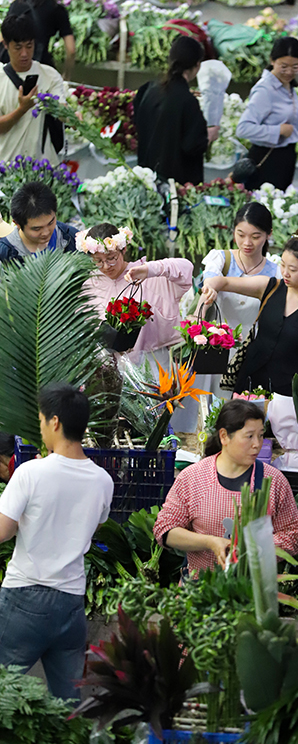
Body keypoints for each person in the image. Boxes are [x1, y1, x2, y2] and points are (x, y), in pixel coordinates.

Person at [0, 382, 113, 700]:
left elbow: (2, 531)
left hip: (24, 598)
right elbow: (97, 523)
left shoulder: (30, 473)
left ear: (55, 422)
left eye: (40, 421)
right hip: (71, 604)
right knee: (68, 705)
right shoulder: (103, 481)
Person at [153, 399, 298, 575]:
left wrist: (254, 549)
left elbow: (292, 536)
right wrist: (210, 542)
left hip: (253, 592)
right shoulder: (193, 477)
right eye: (249, 436)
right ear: (224, 436)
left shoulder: (273, 481)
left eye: (261, 435)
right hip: (199, 590)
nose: (257, 444)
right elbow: (165, 530)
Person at [202, 225, 298, 397]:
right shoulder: (271, 287)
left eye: (292, 270)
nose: (285, 273)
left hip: (285, 395)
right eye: (283, 265)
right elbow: (224, 282)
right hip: (247, 385)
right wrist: (211, 286)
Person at [77, 222, 194, 357]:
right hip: (110, 366)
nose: (106, 266)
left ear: (124, 249)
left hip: (157, 360)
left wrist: (150, 269)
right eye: (98, 261)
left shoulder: (148, 275)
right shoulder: (90, 286)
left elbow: (186, 268)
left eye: (111, 258)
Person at [134, 36, 216, 187]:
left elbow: (139, 122)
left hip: (146, 176)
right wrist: (209, 136)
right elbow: (193, 146)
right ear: (197, 65)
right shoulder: (188, 102)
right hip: (173, 185)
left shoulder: (150, 89)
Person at [236, 37, 298, 191]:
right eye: (284, 66)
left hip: (286, 158)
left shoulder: (288, 87)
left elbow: (291, 126)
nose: (289, 72)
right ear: (272, 60)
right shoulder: (265, 90)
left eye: (295, 67)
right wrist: (278, 131)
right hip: (267, 161)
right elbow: (243, 128)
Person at [200, 202, 282, 341]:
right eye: (241, 235)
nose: (247, 243)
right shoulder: (221, 259)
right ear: (234, 232)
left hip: (255, 349)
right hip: (217, 347)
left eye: (255, 237)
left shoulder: (276, 273)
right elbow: (210, 281)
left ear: (269, 234)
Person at [0, 14, 65, 164]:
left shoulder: (49, 75)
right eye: (18, 47)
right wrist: (22, 109)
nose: (24, 53)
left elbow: (61, 108)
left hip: (41, 168)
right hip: (6, 168)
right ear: (5, 44)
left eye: (29, 46)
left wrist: (72, 117)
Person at [6, 0, 75, 78]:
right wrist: (67, 75)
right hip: (39, 67)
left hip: (10, 65)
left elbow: (2, 37)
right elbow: (71, 50)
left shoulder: (17, 4)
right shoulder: (57, 10)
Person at [0, 182, 77, 264]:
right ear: (17, 224)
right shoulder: (5, 254)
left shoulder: (71, 238)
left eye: (51, 223)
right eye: (37, 229)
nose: (46, 232)